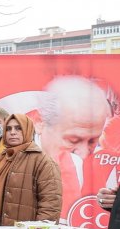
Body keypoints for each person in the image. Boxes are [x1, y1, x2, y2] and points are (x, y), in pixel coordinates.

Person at [33, 76, 111, 215]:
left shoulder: (98, 168)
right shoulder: (16, 159)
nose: (84, 153)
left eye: (93, 141)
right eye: (73, 140)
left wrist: (111, 203)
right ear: (40, 122)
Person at [0, 114, 62, 226]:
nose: (12, 132)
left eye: (18, 128)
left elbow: (51, 206)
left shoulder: (43, 161)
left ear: (28, 130)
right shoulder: (1, 159)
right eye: (8, 129)